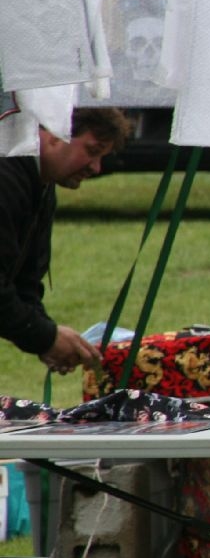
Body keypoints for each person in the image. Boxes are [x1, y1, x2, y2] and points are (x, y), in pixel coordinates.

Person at [1, 107, 131, 377]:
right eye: (92, 151)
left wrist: (46, 337)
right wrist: (46, 337)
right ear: (53, 133)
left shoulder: (42, 184)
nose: (96, 167)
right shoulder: (6, 178)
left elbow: (25, 280)